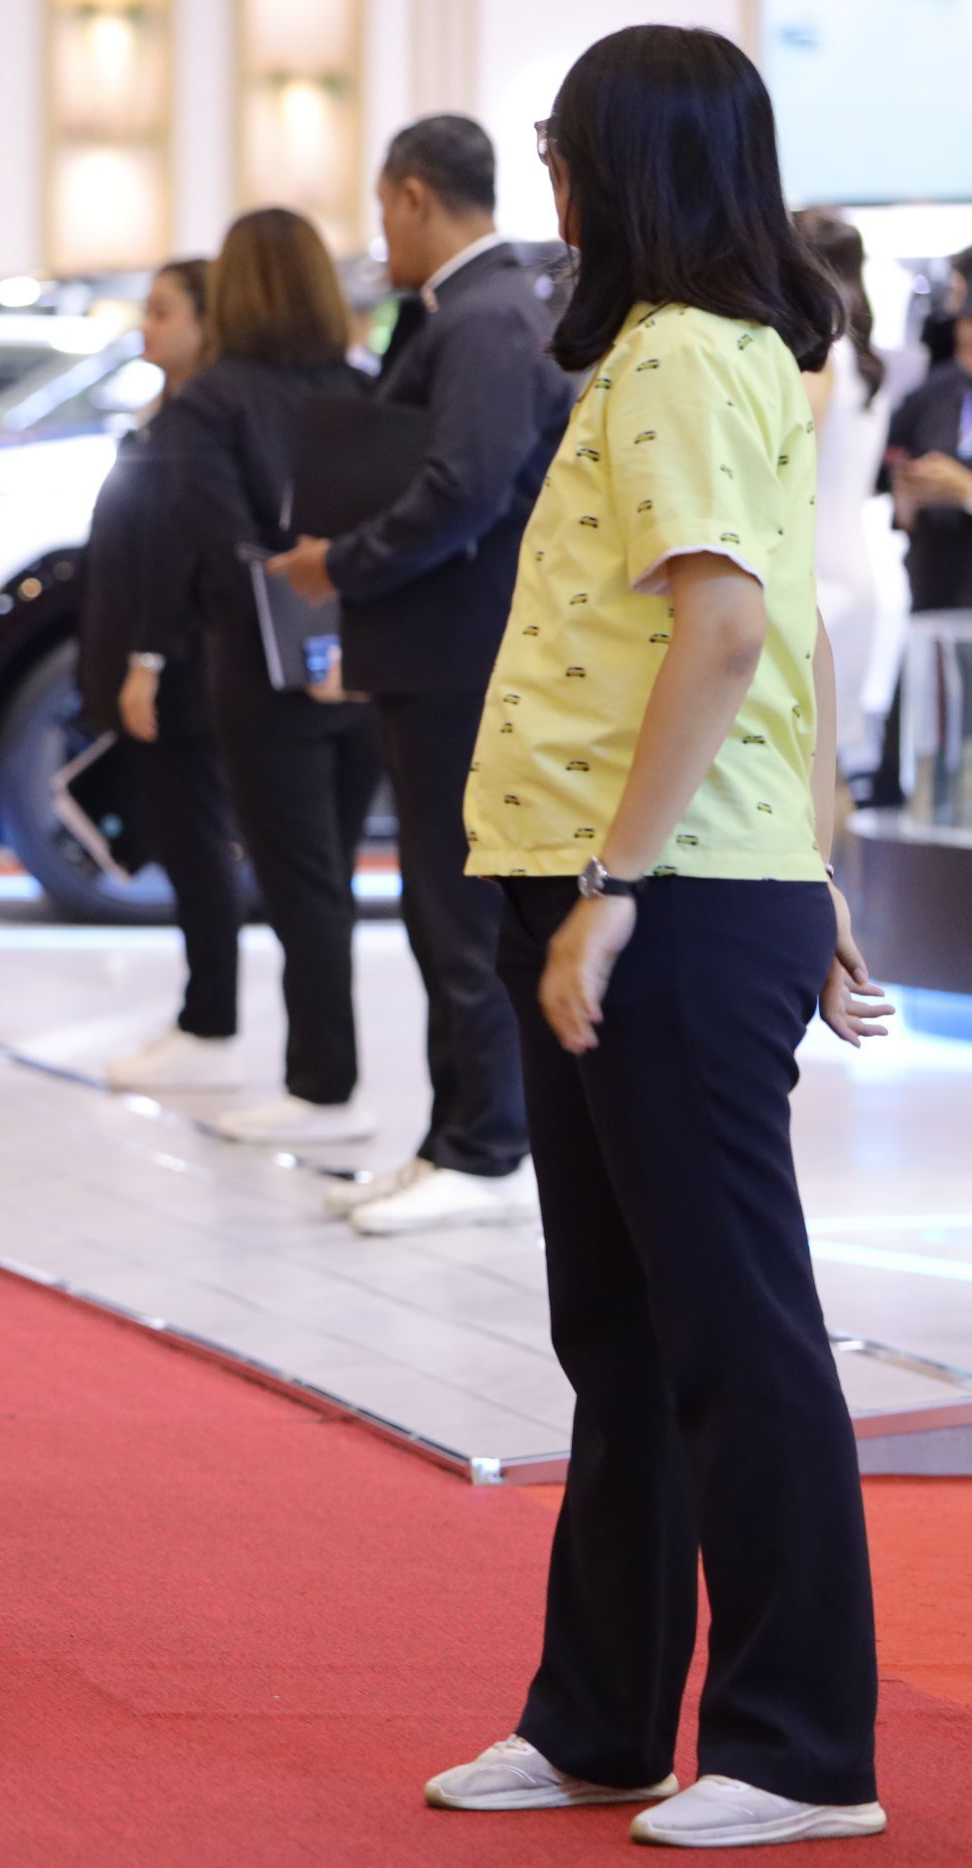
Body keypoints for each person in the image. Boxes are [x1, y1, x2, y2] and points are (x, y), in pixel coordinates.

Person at [421, 29, 892, 1850]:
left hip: (666, 890)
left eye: (565, 150)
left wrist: (625, 888)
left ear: (627, 166)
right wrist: (820, 862)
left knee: (730, 1323)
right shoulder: (680, 351)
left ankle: (798, 1741)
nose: (549, 179)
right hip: (655, 872)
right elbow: (796, 650)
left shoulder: (692, 353)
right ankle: (605, 1713)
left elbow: (722, 626)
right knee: (620, 1329)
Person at [265, 116, 571, 1232]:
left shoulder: (488, 317)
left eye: (381, 207)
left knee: (460, 906)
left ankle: (487, 1144)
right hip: (438, 651)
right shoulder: (472, 310)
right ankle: (456, 1132)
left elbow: (466, 486)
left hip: (465, 653)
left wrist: (335, 562)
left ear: (407, 195)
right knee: (440, 904)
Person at [143, 209, 378, 1149]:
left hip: (266, 674)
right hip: (364, 666)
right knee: (334, 878)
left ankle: (324, 1083)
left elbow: (215, 544)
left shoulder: (207, 405)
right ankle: (325, 1074)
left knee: (298, 882)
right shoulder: (364, 387)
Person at [90, 259, 248, 1095]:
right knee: (181, 845)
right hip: (153, 666)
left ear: (206, 321)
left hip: (186, 675)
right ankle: (202, 1013)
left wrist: (147, 663)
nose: (146, 326)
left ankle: (211, 1020)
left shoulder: (205, 420)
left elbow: (182, 556)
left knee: (198, 845)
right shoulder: (167, 415)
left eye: (162, 311)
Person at [795, 209, 896, 782]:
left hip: (819, 583)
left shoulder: (822, 361)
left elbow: (792, 462)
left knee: (809, 779)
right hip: (851, 576)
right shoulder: (864, 360)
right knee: (830, 775)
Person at [884, 247, 972, 614]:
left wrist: (965, 491)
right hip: (936, 600)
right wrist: (908, 496)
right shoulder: (932, 393)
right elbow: (889, 463)